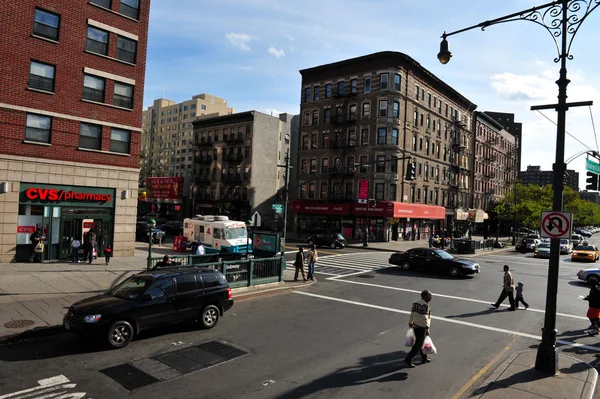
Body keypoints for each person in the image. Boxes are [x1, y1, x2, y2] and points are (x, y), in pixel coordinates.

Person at [405, 290, 433, 368]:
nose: (431, 297)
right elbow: (425, 318)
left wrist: (410, 322)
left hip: (415, 326)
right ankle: (408, 358)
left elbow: (412, 313)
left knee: (421, 343)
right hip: (422, 327)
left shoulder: (416, 303)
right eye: (430, 296)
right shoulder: (424, 305)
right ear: (425, 296)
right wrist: (427, 328)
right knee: (418, 345)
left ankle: (424, 358)